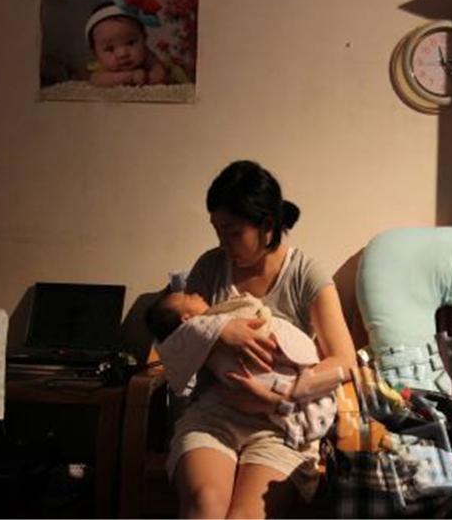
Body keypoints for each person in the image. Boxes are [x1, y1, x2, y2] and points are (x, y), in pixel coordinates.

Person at [163, 160, 357, 518]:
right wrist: (221, 332)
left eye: (233, 232)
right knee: (206, 503)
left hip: (280, 423)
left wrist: (283, 394)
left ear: (267, 225)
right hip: (215, 414)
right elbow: (175, 337)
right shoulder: (210, 267)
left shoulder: (305, 274)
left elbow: (344, 362)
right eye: (217, 231)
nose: (223, 243)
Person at [146, 290, 340, 449]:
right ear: (187, 319)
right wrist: (225, 326)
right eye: (188, 297)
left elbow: (343, 361)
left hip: (278, 377)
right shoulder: (203, 330)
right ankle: (282, 406)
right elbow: (178, 344)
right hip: (232, 396)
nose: (196, 293)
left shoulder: (305, 273)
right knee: (246, 380)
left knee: (286, 384)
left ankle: (283, 404)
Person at [85, 2, 167, 87]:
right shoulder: (103, 66)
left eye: (131, 43)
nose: (123, 54)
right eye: (110, 48)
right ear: (95, 54)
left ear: (144, 38)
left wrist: (148, 77)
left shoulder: (147, 55)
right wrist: (129, 77)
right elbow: (96, 81)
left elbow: (160, 75)